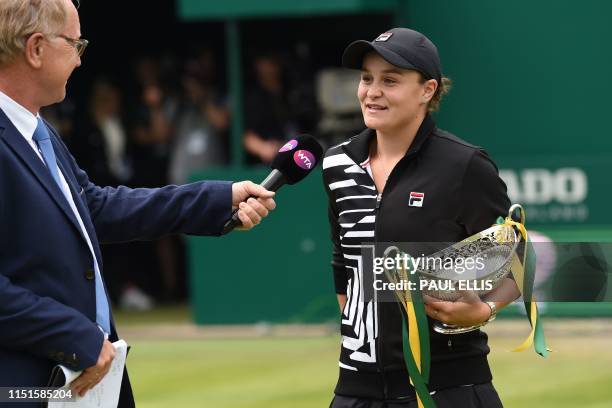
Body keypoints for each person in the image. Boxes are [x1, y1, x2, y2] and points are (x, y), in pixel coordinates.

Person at [0, 1, 275, 407]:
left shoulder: (36, 129)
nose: (79, 61)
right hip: (27, 388)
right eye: (75, 44)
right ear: (36, 48)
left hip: (83, 383)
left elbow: (95, 208)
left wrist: (215, 198)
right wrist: (74, 336)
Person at [323, 28, 517, 407]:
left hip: (448, 388)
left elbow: (515, 257)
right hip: (355, 390)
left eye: (390, 80)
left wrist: (484, 309)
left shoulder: (465, 165)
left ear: (427, 90)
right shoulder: (337, 163)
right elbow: (343, 262)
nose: (372, 91)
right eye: (367, 78)